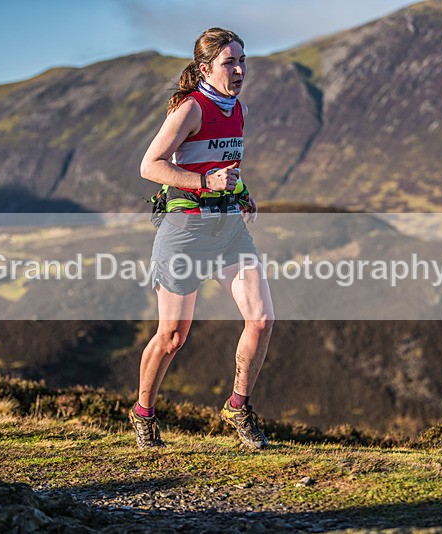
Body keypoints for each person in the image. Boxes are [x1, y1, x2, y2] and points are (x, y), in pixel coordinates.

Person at [129, 28, 275, 450]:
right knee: (173, 337)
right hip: (186, 232)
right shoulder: (191, 109)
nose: (240, 69)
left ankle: (237, 407)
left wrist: (240, 192)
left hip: (228, 228)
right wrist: (205, 182)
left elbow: (226, 161)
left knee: (262, 320)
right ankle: (143, 414)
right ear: (205, 68)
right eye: (230, 62)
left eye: (243, 60)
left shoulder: (238, 108)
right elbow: (150, 166)